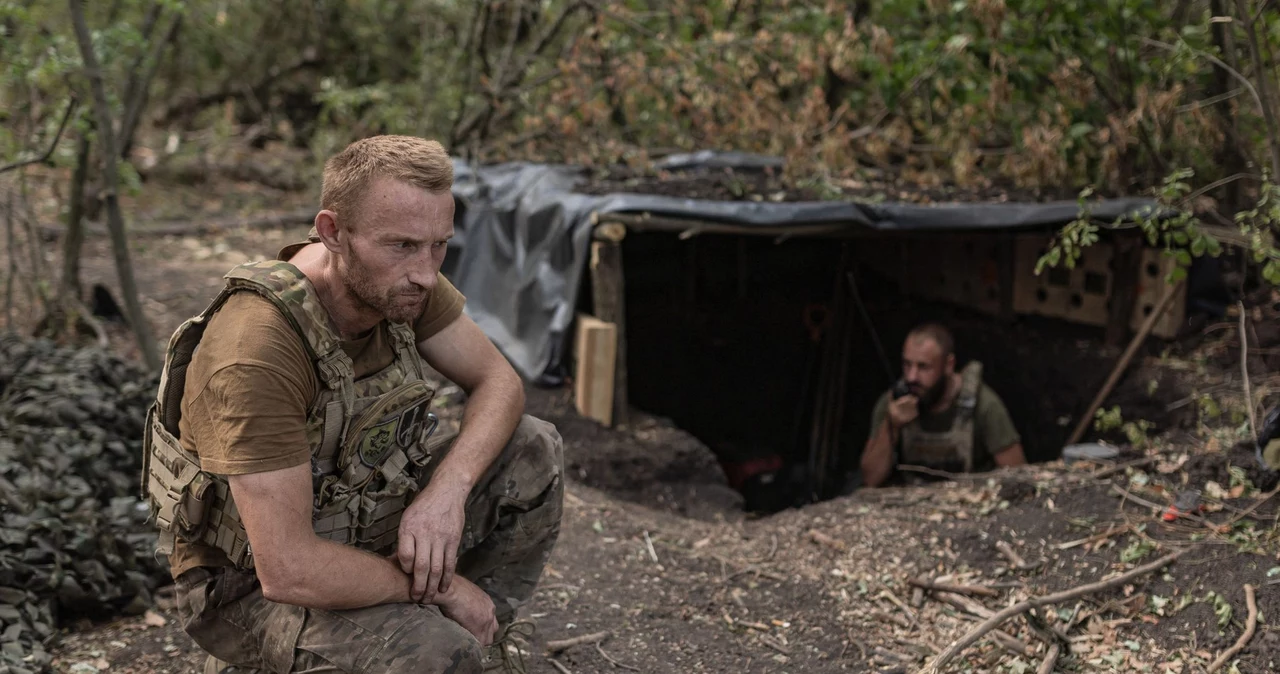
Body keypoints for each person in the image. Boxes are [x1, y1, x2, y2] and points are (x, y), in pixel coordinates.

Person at [141, 135, 563, 674]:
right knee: (436, 655)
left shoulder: (400, 282)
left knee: (533, 447)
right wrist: (442, 589)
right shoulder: (256, 352)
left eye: (440, 244)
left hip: (361, 524)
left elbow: (500, 382)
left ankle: (478, 641)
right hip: (250, 590)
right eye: (404, 245)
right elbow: (288, 569)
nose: (427, 271)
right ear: (332, 232)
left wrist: (447, 493)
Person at [860, 323, 1025, 487]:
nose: (912, 377)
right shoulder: (894, 404)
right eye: (907, 364)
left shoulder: (984, 406)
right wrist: (892, 426)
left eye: (923, 367)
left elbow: (1018, 477)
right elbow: (870, 479)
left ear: (948, 365)